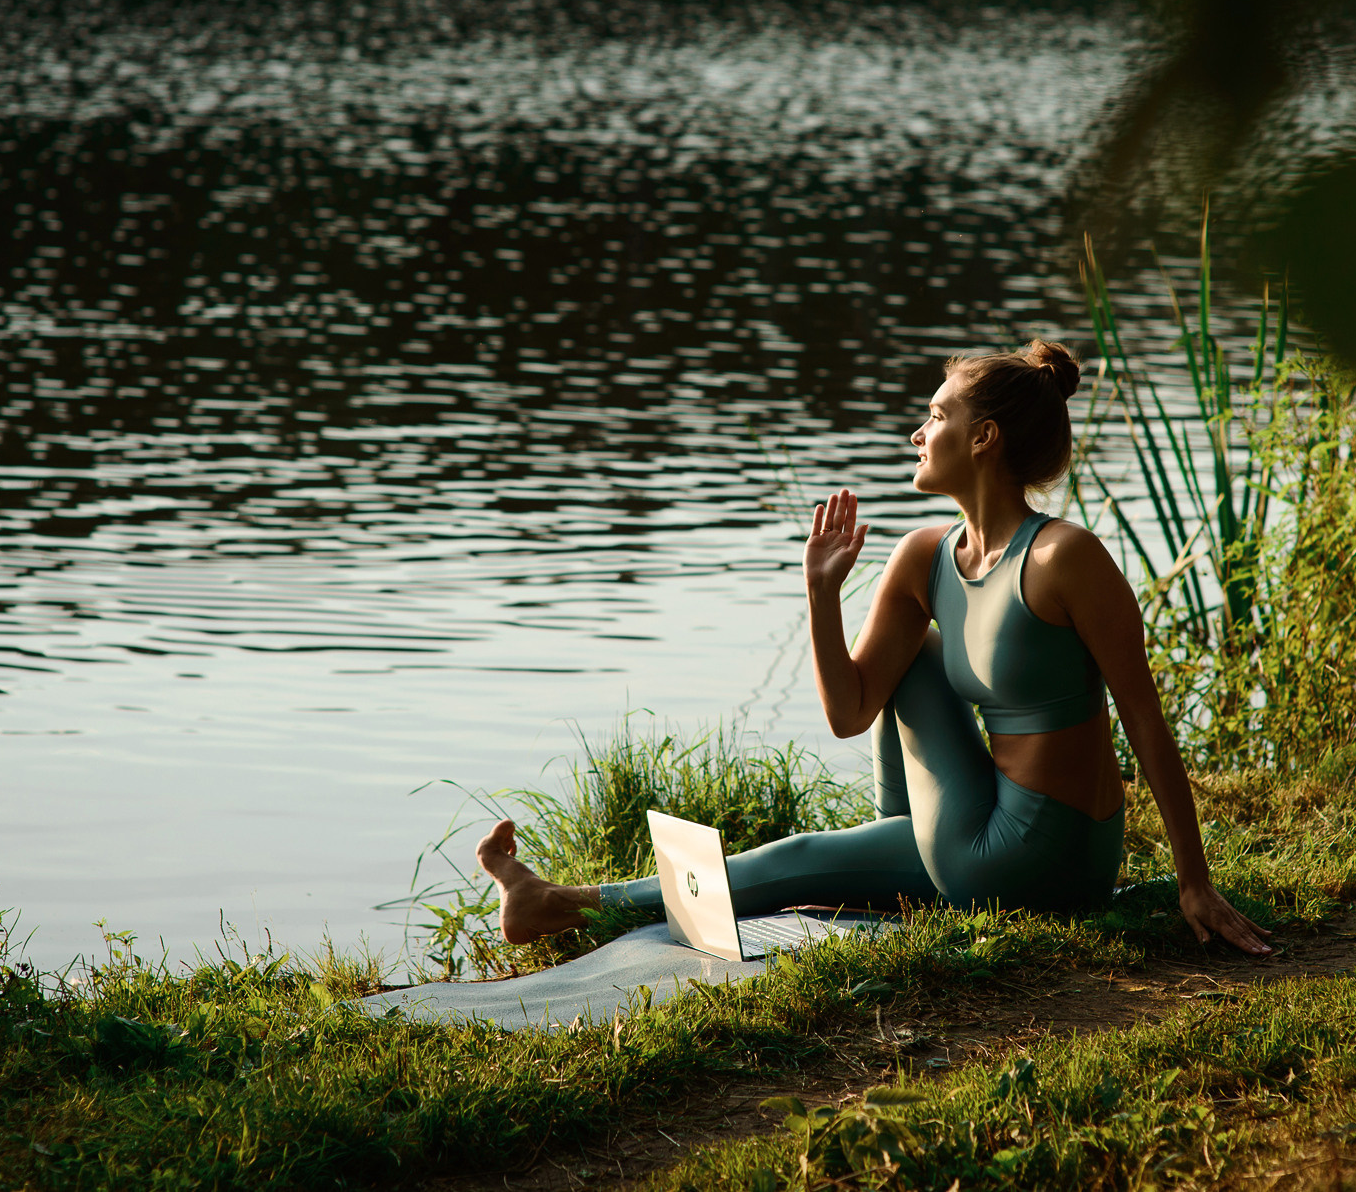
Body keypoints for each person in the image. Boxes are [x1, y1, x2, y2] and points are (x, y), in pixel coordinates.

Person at [477, 339, 1271, 955]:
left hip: (1033, 857)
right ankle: (560, 903)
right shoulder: (926, 556)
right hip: (1001, 836)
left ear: (984, 437)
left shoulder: (1063, 557)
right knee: (880, 718)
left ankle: (566, 902)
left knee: (814, 835)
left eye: (936, 417)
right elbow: (851, 711)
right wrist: (821, 594)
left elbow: (1143, 717)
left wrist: (1194, 883)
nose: (918, 432)